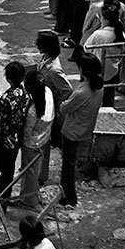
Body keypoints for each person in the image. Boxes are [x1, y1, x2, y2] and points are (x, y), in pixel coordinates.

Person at [59, 53, 104, 207]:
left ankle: (69, 197)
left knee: (68, 166)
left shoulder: (80, 92)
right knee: (74, 163)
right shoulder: (98, 88)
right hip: (86, 129)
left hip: (72, 131)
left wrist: (63, 100)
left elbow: (64, 109)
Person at [0, 61, 30, 203]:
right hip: (16, 140)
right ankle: (1, 203)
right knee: (7, 172)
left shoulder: (6, 99)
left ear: (8, 78)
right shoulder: (26, 95)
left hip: (3, 141)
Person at [35, 31, 71, 184]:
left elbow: (67, 90)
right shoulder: (45, 59)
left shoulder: (54, 69)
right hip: (42, 100)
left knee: (44, 140)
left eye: (40, 44)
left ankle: (41, 173)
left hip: (49, 105)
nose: (37, 46)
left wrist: (58, 105)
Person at [84, 0, 125, 107]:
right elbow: (123, 51)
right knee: (109, 96)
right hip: (113, 69)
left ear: (106, 20)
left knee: (95, 97)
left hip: (99, 70)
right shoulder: (121, 34)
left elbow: (86, 47)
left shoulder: (99, 34)